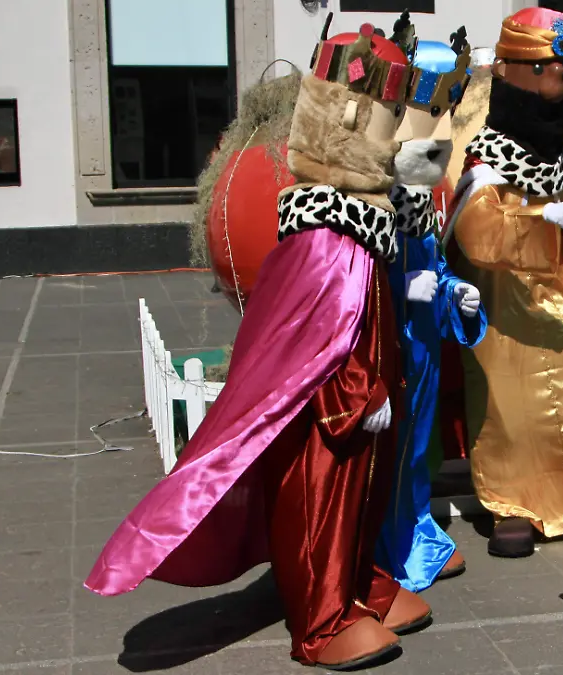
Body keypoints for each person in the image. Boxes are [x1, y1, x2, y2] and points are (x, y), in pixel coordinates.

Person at [84, 20, 434, 670]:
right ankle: (322, 620)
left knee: (365, 495)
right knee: (325, 501)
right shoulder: (324, 237)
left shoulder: (361, 224)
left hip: (370, 403)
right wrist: (354, 394)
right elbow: (310, 343)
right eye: (390, 121)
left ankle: (362, 584)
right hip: (333, 415)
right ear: (352, 121)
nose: (397, 139)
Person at [447, 7, 563, 558]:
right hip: (509, 314)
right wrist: (537, 220)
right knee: (513, 412)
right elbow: (479, 233)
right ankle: (514, 504)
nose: (557, 89)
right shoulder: (486, 167)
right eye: (547, 72)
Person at [377, 32, 487, 593]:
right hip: (385, 349)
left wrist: (453, 294)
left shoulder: (418, 199)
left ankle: (416, 529)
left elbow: (433, 267)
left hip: (420, 349)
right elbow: (346, 278)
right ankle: (384, 547)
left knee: (416, 446)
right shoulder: (370, 199)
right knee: (387, 450)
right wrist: (399, 289)